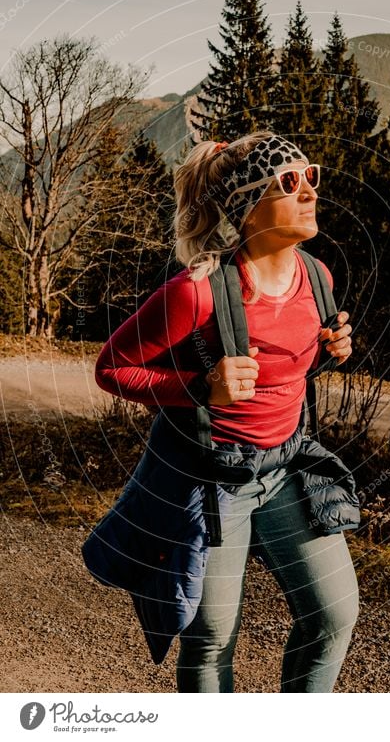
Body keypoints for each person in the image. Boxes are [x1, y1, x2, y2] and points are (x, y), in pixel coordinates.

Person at [94, 131, 360, 693]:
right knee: (212, 636)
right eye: (288, 182)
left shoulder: (318, 277)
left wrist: (330, 350)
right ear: (246, 204)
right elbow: (111, 368)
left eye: (310, 175)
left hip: (287, 468)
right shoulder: (198, 292)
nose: (309, 190)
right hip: (215, 483)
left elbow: (285, 371)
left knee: (334, 615)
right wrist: (197, 387)